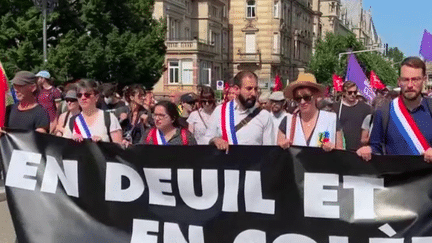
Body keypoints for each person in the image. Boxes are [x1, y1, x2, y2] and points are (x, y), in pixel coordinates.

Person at [357, 57, 432, 162]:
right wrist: (368, 150)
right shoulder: (383, 112)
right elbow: (376, 148)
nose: (410, 85)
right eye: (405, 79)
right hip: (395, 177)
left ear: (424, 80)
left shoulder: (430, 108)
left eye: (415, 79)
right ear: (399, 81)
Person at [204, 71, 274, 150]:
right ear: (236, 89)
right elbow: (206, 139)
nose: (254, 93)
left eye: (256, 89)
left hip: (254, 162)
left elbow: (269, 151)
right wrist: (215, 140)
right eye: (249, 89)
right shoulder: (220, 111)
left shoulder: (264, 115)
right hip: (227, 161)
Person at [277, 73, 343, 151]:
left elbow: (341, 152)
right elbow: (278, 152)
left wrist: (333, 150)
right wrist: (282, 147)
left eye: (306, 97)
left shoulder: (331, 119)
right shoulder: (288, 121)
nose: (302, 102)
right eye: (298, 99)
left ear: (315, 96)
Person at [63, 79, 123, 144]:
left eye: (87, 95)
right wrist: (73, 142)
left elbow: (119, 148)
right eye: (79, 95)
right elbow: (64, 148)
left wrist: (101, 144)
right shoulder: (73, 121)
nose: (83, 98)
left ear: (96, 97)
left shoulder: (109, 118)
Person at [332, 81, 372, 152]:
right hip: (342, 149)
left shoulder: (365, 108)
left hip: (359, 150)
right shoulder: (336, 107)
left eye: (355, 92)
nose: (353, 95)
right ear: (344, 93)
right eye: (350, 92)